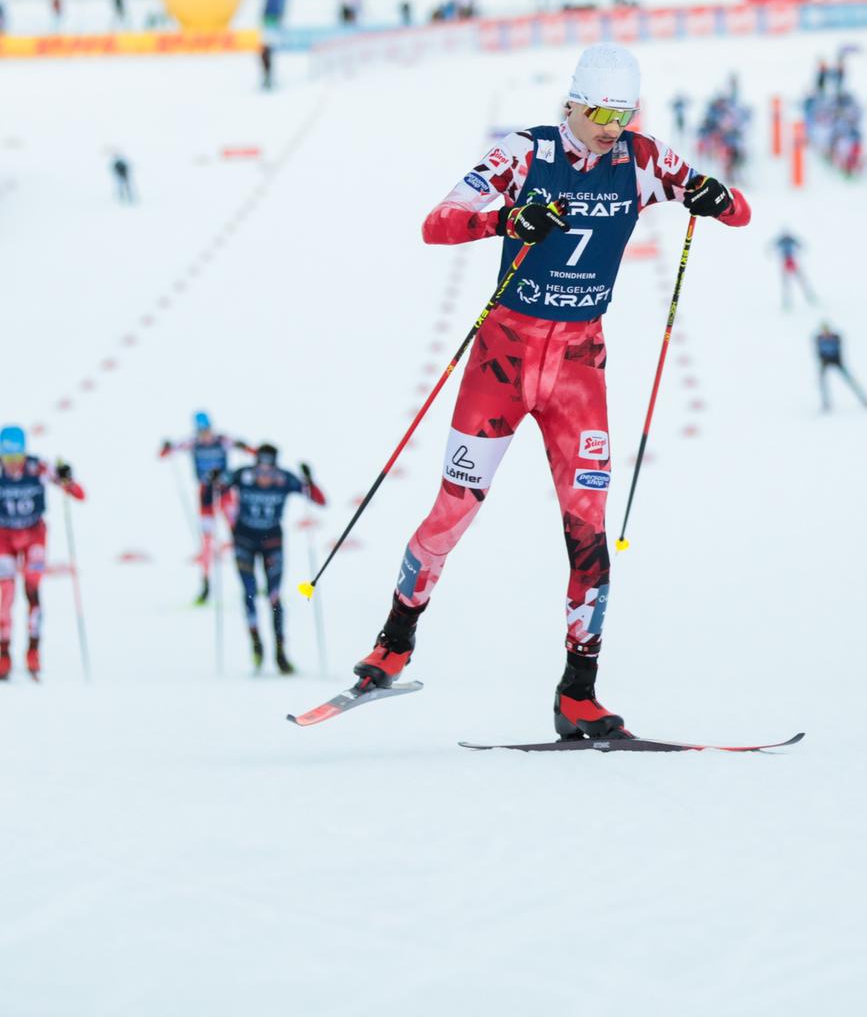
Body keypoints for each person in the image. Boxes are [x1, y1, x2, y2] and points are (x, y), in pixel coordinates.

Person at [348, 43, 750, 740]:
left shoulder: (643, 160)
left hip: (577, 367)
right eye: (598, 110)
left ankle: (578, 694)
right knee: (453, 510)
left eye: (623, 112)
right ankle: (393, 642)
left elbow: (736, 210)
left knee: (588, 533)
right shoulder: (524, 154)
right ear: (569, 104)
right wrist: (506, 219)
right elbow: (435, 224)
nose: (610, 125)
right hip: (502, 360)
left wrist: (715, 197)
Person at [210, 444, 326, 674]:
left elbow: (319, 501)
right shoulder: (242, 474)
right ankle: (256, 646)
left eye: (269, 470)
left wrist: (309, 480)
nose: (265, 476)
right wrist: (214, 479)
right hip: (244, 540)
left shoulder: (285, 478)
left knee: (274, 597)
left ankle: (280, 652)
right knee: (250, 593)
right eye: (261, 469)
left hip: (272, 543)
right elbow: (214, 488)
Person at [0, 425, 85, 680]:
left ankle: (33, 652)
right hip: (4, 538)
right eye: (8, 458)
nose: (13, 464)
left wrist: (66, 477)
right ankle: (3, 654)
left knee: (32, 590)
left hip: (34, 536)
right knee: (4, 595)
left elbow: (78, 493)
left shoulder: (38, 467)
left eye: (18, 458)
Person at [159, 413, 253, 604]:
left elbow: (251, 451)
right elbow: (166, 453)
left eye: (207, 430)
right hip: (206, 495)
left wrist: (245, 446)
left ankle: (249, 576)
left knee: (239, 534)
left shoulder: (222, 440)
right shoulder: (193, 442)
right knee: (207, 540)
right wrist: (166, 446)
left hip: (225, 493)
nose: (205, 435)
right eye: (201, 431)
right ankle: (206, 582)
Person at [814, 325, 867, 413]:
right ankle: (825, 403)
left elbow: (838, 350)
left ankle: (865, 400)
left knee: (850, 381)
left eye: (827, 330)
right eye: (824, 331)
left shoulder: (836, 337)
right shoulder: (818, 339)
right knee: (822, 383)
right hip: (825, 362)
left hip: (836, 361)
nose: (825, 333)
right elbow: (818, 352)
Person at [771, 231, 816, 310]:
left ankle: (809, 296)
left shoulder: (789, 240)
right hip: (787, 262)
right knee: (788, 283)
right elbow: (772, 246)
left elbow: (800, 245)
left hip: (791, 262)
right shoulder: (784, 240)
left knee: (799, 281)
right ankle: (787, 302)